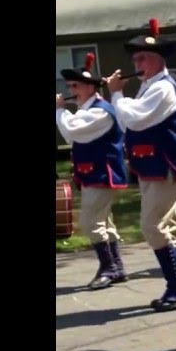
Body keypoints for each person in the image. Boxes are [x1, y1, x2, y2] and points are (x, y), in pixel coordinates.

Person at [106, 18, 176, 312]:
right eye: (135, 58)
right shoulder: (148, 88)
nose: (137, 62)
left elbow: (135, 118)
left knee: (151, 226)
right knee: (161, 226)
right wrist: (121, 99)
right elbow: (126, 119)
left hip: (165, 166)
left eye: (142, 57)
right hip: (151, 167)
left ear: (157, 59)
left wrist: (117, 94)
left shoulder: (163, 89)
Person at [56, 52, 128, 290]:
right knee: (103, 222)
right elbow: (70, 134)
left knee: (90, 222)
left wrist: (59, 110)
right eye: (70, 86)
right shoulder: (87, 111)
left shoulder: (100, 111)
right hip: (92, 174)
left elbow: (73, 130)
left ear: (89, 87)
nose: (71, 89)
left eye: (75, 85)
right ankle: (116, 267)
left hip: (102, 174)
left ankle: (109, 268)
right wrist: (62, 112)